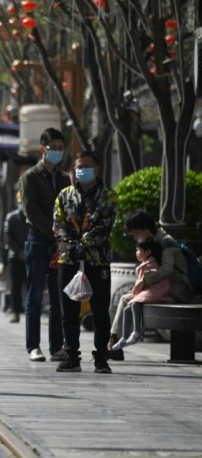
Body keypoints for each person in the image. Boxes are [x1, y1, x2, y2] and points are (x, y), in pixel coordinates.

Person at [54, 150, 118, 374]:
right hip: (68, 259)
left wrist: (86, 242)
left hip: (97, 260)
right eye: (78, 167)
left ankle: (101, 357)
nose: (81, 171)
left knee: (100, 310)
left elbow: (105, 225)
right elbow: (58, 224)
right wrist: (70, 243)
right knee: (68, 311)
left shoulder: (108, 196)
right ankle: (71, 355)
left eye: (86, 166)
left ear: (97, 169)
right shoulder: (64, 195)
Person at [108, 210, 193, 358]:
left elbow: (166, 269)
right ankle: (113, 341)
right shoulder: (154, 241)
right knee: (124, 299)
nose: (135, 238)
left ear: (146, 229)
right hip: (162, 286)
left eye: (136, 233)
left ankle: (115, 343)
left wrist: (145, 280)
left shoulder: (166, 243)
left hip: (175, 289)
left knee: (127, 299)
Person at [18, 127, 71, 362]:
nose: (58, 152)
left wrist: (65, 234)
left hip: (60, 243)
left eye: (61, 149)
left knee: (59, 296)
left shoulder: (63, 178)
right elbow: (31, 212)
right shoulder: (30, 177)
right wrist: (53, 231)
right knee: (35, 296)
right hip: (38, 241)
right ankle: (33, 346)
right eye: (53, 149)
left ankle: (56, 346)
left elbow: (69, 208)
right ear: (42, 149)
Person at [111, 239, 171, 350]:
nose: (136, 253)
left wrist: (135, 293)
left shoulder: (150, 264)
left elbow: (141, 284)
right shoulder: (146, 264)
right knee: (126, 309)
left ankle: (136, 332)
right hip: (149, 291)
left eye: (138, 250)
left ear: (147, 252)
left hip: (156, 292)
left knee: (134, 304)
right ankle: (124, 338)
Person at [4, 193, 28, 323]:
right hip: (15, 258)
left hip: (31, 256)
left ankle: (31, 310)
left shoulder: (32, 217)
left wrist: (28, 250)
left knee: (31, 286)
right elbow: (8, 238)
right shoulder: (11, 217)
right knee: (15, 287)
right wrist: (19, 251)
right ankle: (15, 311)